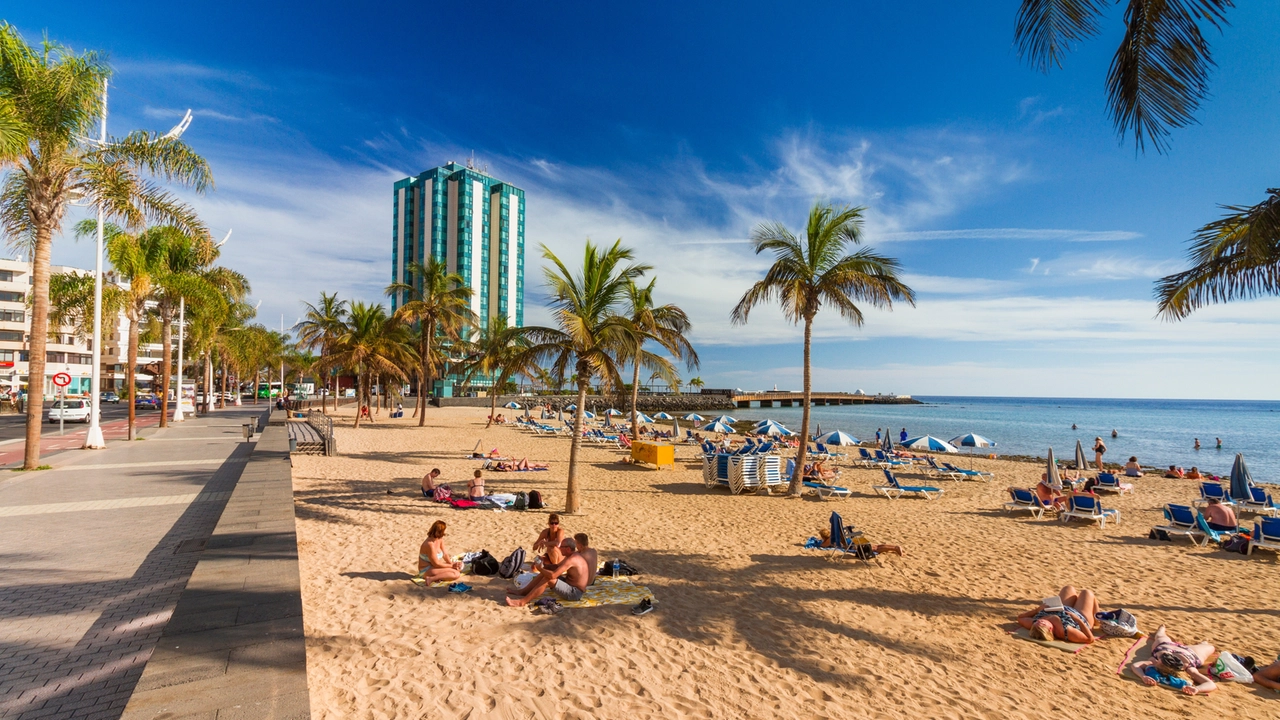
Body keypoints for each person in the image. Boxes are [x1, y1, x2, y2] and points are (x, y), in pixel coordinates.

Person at [1131, 626, 1218, 695]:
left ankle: (1162, 628)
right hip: (1188, 653)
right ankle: (1162, 629)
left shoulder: (1155, 662)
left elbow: (1135, 665)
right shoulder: (1189, 669)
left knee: (1160, 636)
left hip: (1168, 647)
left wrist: (1143, 676)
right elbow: (1211, 684)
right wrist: (1197, 689)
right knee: (1210, 647)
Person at [505, 538, 589, 607]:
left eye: (561, 547)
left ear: (568, 549)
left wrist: (540, 568)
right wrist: (543, 565)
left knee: (548, 578)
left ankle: (522, 602)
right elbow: (556, 567)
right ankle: (522, 592)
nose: (559, 548)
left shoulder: (572, 559)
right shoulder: (571, 555)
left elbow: (553, 576)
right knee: (545, 573)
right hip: (569, 584)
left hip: (575, 592)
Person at [1016, 585, 1101, 644]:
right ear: (1050, 629)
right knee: (1087, 593)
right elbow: (1090, 639)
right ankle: (1097, 620)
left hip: (1063, 609)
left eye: (1037, 623)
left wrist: (1037, 610)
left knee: (1068, 588)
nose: (1040, 621)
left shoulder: (1035, 625)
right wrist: (1077, 619)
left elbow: (1020, 618)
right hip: (1080, 618)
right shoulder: (1067, 631)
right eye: (1042, 624)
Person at [817, 527, 904, 556]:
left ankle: (895, 548)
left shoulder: (829, 539)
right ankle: (894, 546)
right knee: (875, 545)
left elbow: (822, 546)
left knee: (875, 549)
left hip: (853, 544)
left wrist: (823, 540)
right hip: (855, 539)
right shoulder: (836, 535)